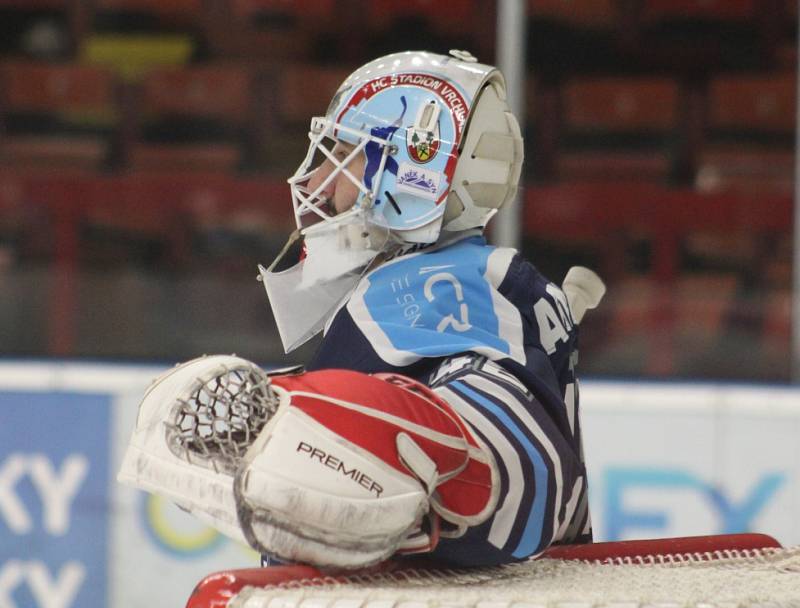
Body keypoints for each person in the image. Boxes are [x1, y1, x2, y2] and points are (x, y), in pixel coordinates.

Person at [118, 50, 604, 570]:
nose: (314, 181)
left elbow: (525, 473)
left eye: (342, 155)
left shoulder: (449, 285)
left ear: (411, 175)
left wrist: (308, 416)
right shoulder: (432, 290)